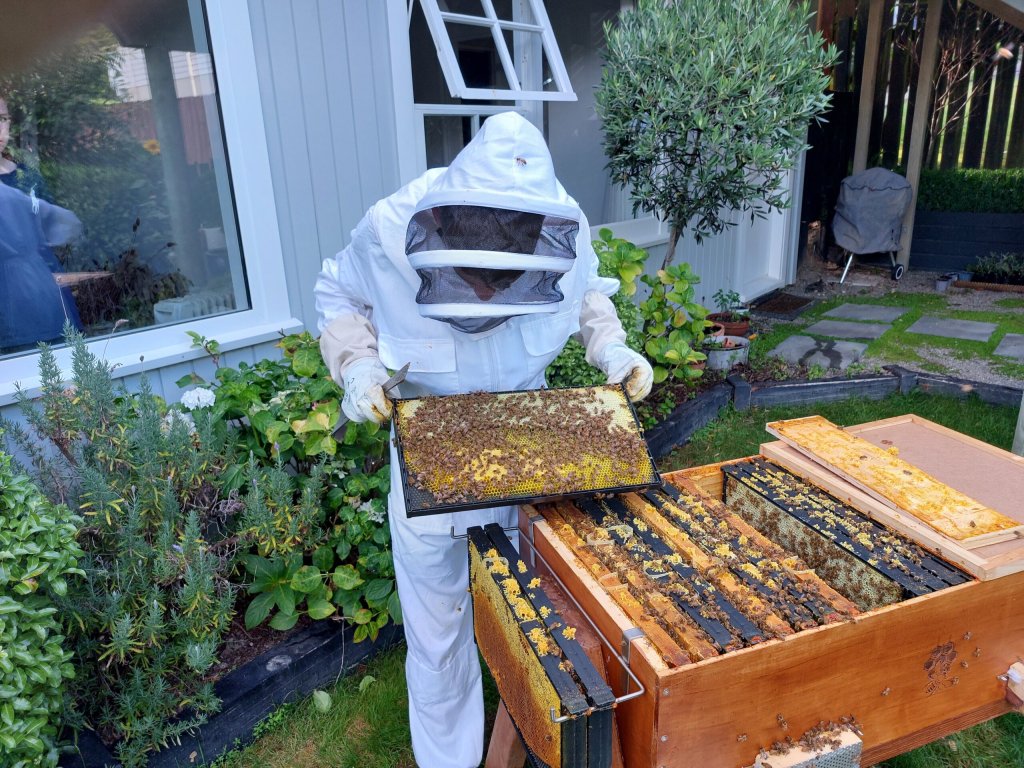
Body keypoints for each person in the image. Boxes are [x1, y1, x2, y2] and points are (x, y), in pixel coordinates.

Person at [314, 111, 652, 768]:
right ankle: (452, 758)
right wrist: (357, 366)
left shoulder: (561, 222)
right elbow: (338, 294)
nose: (486, 293)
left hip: (531, 444)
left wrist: (612, 348)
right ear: (445, 224)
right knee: (438, 630)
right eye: (474, 275)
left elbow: (586, 293)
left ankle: (536, 728)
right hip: (429, 445)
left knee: (538, 612)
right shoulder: (389, 225)